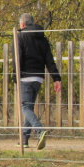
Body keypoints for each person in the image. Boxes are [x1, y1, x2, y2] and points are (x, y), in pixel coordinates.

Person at [17, 13, 62, 149]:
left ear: (23, 24)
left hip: (25, 77)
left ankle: (40, 130)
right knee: (29, 108)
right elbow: (49, 60)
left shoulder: (20, 36)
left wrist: (15, 77)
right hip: (38, 78)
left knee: (25, 107)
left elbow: (18, 59)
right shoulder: (43, 39)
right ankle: (24, 139)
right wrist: (56, 78)